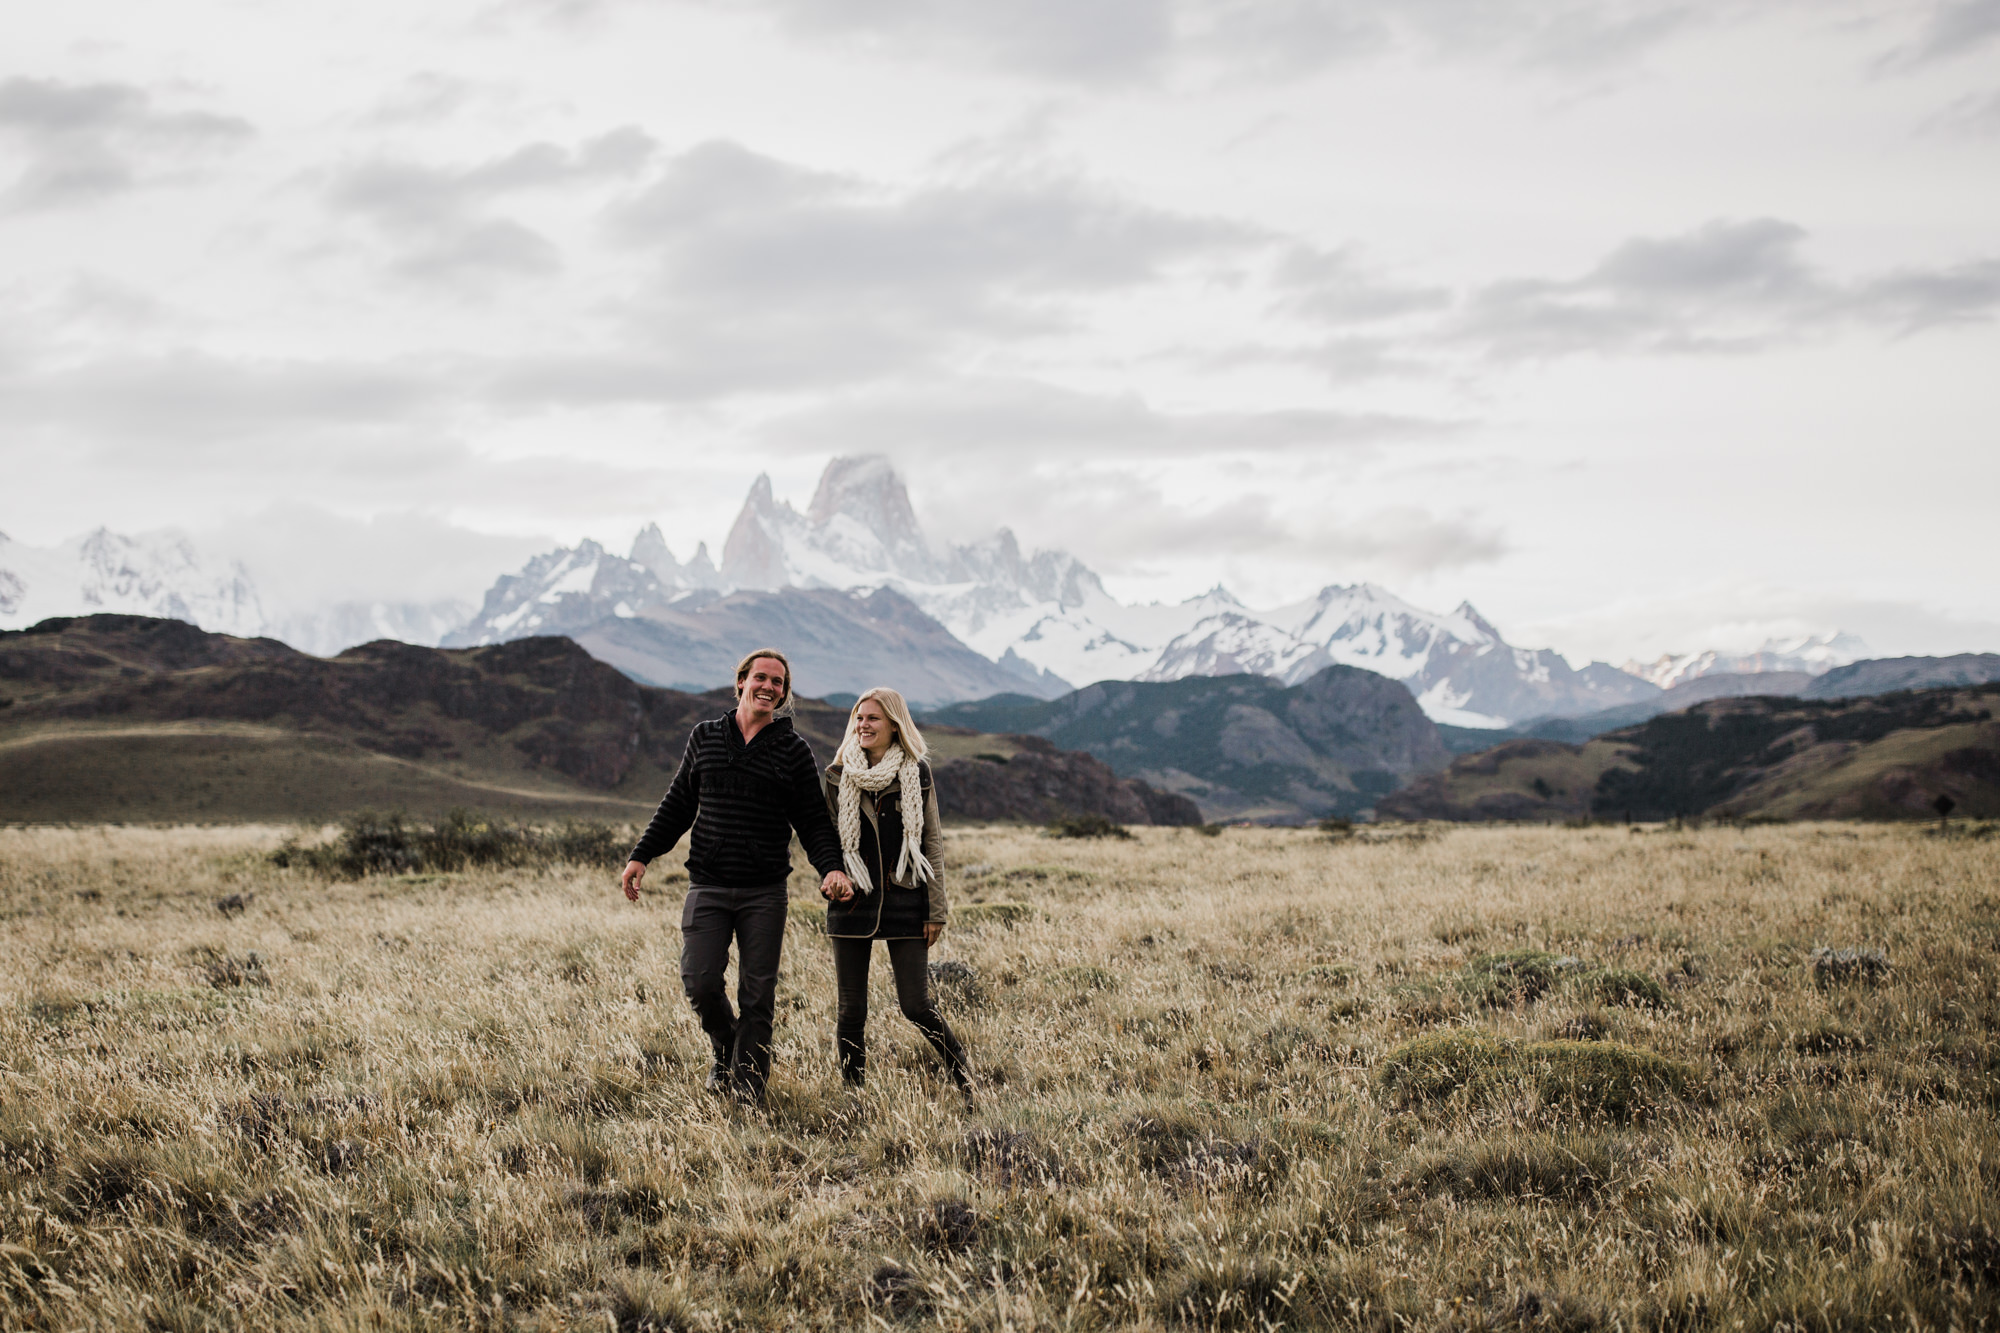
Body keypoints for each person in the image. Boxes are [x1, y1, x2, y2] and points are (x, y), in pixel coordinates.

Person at [621, 648, 852, 1105]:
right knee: (700, 981)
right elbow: (678, 804)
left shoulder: (793, 750)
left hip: (764, 891)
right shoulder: (706, 737)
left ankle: (748, 1092)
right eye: (761, 678)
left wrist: (831, 867)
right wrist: (642, 855)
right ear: (741, 682)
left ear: (784, 694)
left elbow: (812, 821)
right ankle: (726, 1046)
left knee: (757, 994)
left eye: (778, 682)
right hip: (707, 883)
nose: (769, 687)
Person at [820, 687, 973, 1104]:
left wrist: (936, 911)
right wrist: (830, 875)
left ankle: (964, 1077)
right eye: (859, 717)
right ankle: (854, 1097)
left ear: (894, 724)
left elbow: (932, 843)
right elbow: (827, 840)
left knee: (916, 1006)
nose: (863, 725)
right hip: (853, 902)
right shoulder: (837, 775)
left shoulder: (917, 773)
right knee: (851, 1010)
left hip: (908, 900)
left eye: (873, 718)